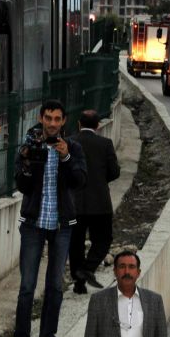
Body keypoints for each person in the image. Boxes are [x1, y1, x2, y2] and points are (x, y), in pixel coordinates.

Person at [11, 99, 87, 337]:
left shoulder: (74, 148)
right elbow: (21, 185)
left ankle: (48, 335)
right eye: (48, 118)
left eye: (57, 119)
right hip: (33, 224)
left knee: (55, 285)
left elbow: (79, 181)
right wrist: (30, 163)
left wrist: (65, 157)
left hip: (62, 225)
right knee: (27, 286)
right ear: (41, 119)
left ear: (63, 121)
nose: (52, 124)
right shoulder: (29, 147)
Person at [82, 251, 169, 337]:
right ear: (115, 272)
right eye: (122, 267)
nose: (127, 272)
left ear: (138, 273)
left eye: (131, 267)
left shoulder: (154, 301)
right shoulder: (98, 301)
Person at [70, 109, 121, 295]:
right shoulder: (105, 143)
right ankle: (88, 269)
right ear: (98, 125)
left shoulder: (70, 142)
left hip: (75, 203)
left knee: (75, 243)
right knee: (103, 239)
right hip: (100, 202)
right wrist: (100, 180)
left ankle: (79, 282)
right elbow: (114, 172)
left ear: (78, 124)